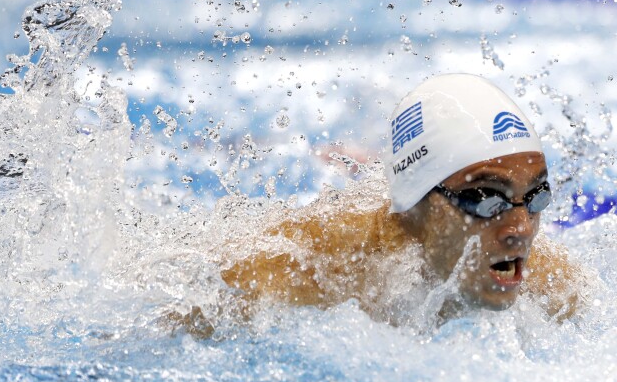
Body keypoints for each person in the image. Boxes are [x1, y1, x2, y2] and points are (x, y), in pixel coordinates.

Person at [210, 74, 586, 330]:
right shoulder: (312, 269)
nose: (520, 229)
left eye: (536, 197)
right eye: (487, 199)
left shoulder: (553, 288)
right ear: (415, 204)